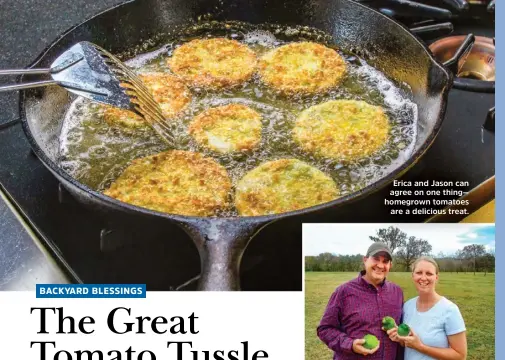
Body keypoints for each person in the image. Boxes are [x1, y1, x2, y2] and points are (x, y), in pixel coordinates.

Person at [317, 242, 404, 359]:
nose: (380, 265)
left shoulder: (396, 292)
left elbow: (400, 329)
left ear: (390, 265)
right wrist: (350, 345)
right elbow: (325, 329)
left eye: (385, 261)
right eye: (376, 259)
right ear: (365, 260)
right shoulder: (344, 291)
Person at [386, 256, 467, 360]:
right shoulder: (407, 306)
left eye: (429, 273)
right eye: (419, 272)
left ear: (436, 277)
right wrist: (399, 337)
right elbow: (406, 343)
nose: (423, 278)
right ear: (413, 276)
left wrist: (420, 347)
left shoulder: (450, 310)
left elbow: (460, 356)